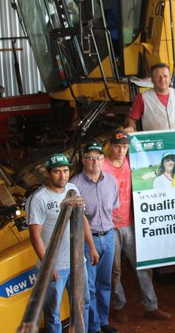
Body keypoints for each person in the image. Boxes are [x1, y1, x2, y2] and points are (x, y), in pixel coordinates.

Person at [103, 130, 171, 323]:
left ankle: (151, 306)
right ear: (109, 146)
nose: (120, 150)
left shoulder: (132, 163)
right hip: (109, 226)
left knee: (143, 265)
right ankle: (120, 306)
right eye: (117, 146)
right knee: (115, 270)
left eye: (124, 146)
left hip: (132, 222)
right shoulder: (103, 166)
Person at [26, 153, 98, 333]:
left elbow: (82, 219)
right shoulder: (39, 199)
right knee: (52, 312)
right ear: (48, 174)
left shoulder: (72, 190)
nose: (62, 176)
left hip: (77, 262)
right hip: (55, 266)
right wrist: (48, 265)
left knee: (83, 303)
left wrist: (91, 246)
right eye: (57, 172)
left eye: (65, 171)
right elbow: (35, 235)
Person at [70, 142, 120, 333]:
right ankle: (94, 327)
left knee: (105, 283)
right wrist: (90, 244)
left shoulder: (111, 181)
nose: (94, 162)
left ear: (103, 160)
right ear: (83, 161)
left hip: (108, 236)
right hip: (85, 241)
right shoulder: (74, 185)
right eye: (90, 158)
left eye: (98, 158)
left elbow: (113, 208)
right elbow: (77, 218)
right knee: (89, 287)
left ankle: (104, 321)